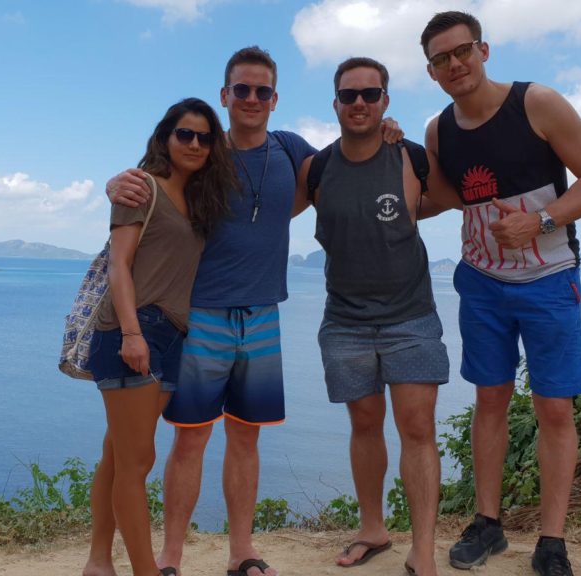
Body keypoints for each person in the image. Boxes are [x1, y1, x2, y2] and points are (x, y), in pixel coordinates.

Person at [104, 46, 400, 576]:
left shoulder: (290, 151)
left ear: (275, 98)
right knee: (189, 438)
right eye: (241, 89)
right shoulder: (201, 154)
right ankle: (171, 555)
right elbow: (150, 185)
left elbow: (349, 159)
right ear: (225, 95)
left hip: (263, 315)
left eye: (262, 91)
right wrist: (116, 183)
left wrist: (385, 131)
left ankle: (242, 551)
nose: (252, 99)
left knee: (246, 436)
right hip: (201, 316)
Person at [420, 11, 581, 576]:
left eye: (462, 51)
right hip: (481, 281)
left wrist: (543, 221)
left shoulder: (537, 103)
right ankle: (488, 524)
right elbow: (434, 198)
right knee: (490, 401)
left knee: (554, 408)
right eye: (440, 58)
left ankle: (552, 542)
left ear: (484, 50)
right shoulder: (439, 131)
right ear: (431, 71)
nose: (454, 64)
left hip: (549, 278)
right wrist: (394, 150)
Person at [295, 57, 450, 576]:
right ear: (335, 103)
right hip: (344, 320)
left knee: (417, 427)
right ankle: (373, 529)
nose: (358, 103)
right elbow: (261, 207)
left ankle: (423, 548)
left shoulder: (408, 156)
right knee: (364, 423)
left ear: (386, 100)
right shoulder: (314, 168)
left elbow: (451, 197)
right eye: (348, 95)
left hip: (411, 315)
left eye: (370, 94)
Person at [82, 97, 237, 576]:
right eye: (184, 134)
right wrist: (131, 334)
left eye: (204, 137)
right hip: (134, 332)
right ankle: (146, 571)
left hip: (170, 335)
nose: (194, 143)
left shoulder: (196, 200)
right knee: (138, 460)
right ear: (166, 137)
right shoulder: (140, 188)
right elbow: (118, 265)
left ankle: (98, 562)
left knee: (117, 455)